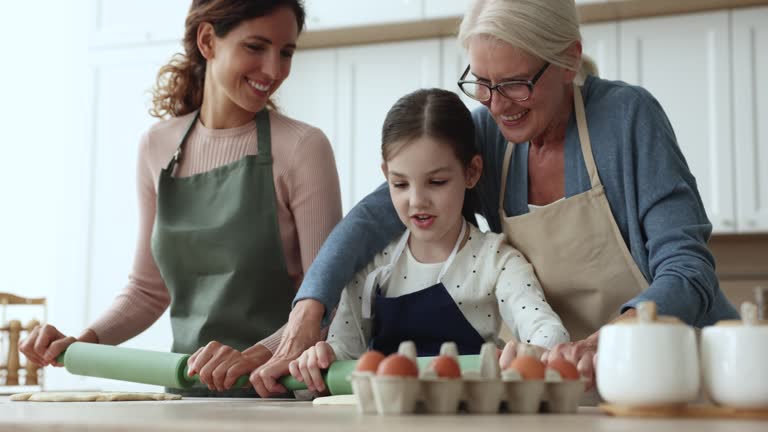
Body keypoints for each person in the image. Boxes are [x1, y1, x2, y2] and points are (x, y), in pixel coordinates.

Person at [252, 0, 738, 397]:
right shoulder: (489, 135)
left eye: (515, 84)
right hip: (569, 386)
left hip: (670, 377)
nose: (496, 104)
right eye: (481, 83)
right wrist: (308, 310)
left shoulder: (628, 119)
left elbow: (688, 269)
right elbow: (371, 219)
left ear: (569, 59)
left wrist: (612, 339)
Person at [19, 0, 342, 396]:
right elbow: (147, 290)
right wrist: (81, 342)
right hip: (184, 394)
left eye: (286, 52)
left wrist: (254, 356)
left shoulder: (302, 148)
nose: (274, 70)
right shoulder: (157, 146)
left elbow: (329, 304)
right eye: (255, 47)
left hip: (278, 396)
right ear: (208, 40)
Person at [289, 88, 569, 392]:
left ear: (472, 172)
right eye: (400, 184)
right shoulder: (371, 265)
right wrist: (322, 358)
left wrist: (534, 352)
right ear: (386, 175)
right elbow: (345, 354)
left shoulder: (497, 260)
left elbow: (547, 332)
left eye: (436, 182)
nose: (417, 201)